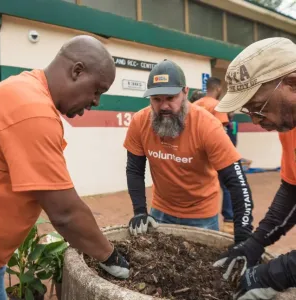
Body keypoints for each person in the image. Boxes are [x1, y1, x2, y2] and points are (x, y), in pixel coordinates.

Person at [0, 35, 129, 300]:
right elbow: (65, 213)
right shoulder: (33, 111)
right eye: (97, 91)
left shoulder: (24, 88)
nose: (96, 102)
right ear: (77, 71)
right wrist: (112, 258)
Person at [123, 59, 254, 248]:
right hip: (160, 211)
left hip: (201, 216)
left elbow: (235, 180)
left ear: (185, 92)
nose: (163, 106)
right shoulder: (140, 122)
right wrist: (140, 212)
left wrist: (242, 237)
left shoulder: (207, 125)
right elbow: (134, 170)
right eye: (157, 99)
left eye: (170, 98)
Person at [213, 37, 296, 300]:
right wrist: (256, 241)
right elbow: (292, 191)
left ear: (292, 82)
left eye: (258, 107)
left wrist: (277, 273)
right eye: (247, 111)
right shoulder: (290, 124)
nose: (256, 121)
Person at [194, 77, 235, 235]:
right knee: (226, 186)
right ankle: (229, 222)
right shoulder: (218, 105)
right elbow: (221, 134)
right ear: (218, 89)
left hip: (196, 157)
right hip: (215, 156)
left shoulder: (195, 105)